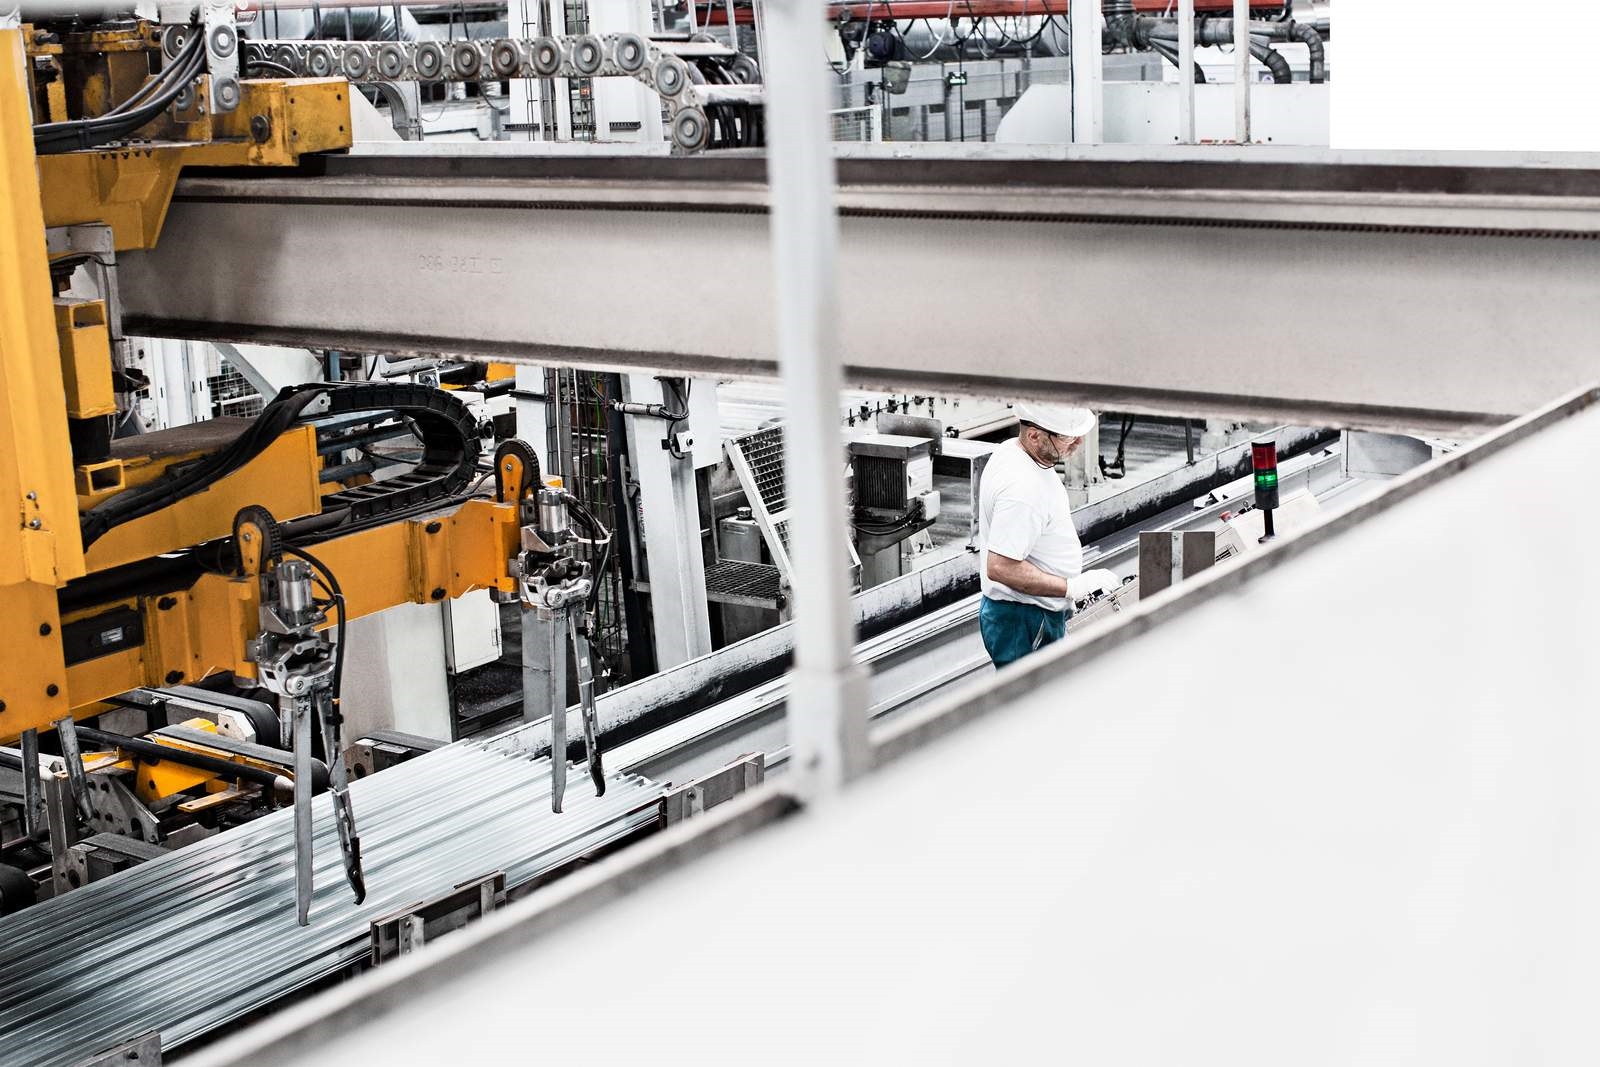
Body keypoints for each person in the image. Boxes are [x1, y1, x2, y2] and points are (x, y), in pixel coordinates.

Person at [977, 402, 1119, 668]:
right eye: (1066, 436)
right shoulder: (1022, 489)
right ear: (1034, 435)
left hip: (1030, 611)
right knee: (1030, 703)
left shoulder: (1015, 452)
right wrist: (1072, 588)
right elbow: (1001, 567)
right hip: (1024, 617)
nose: (1077, 443)